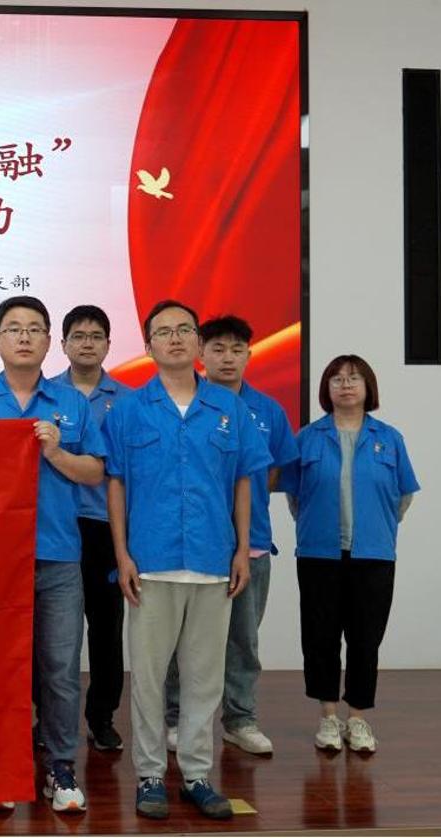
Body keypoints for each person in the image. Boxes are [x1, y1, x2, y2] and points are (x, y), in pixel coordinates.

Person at [103, 300, 270, 821]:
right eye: (163, 332)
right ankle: (150, 775)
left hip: (212, 560)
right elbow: (115, 483)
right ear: (148, 345)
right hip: (150, 563)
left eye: (183, 330)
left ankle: (197, 774)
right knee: (149, 679)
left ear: (198, 342)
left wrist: (241, 550)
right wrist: (121, 554)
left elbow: (243, 481)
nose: (174, 338)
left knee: (204, 678)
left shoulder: (228, 409)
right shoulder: (129, 409)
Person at [0, 296, 106, 813]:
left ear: (49, 341)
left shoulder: (72, 403)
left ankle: (60, 767)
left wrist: (55, 452)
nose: (23, 337)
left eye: (34, 329)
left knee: (60, 668)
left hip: (58, 556)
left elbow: (95, 472)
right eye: (13, 329)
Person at [161, 316, 299, 757]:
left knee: (243, 641)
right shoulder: (184, 406)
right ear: (201, 353)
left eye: (237, 350)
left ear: (249, 356)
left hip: (251, 544)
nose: (227, 358)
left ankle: (240, 720)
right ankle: (176, 718)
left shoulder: (268, 412)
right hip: (194, 544)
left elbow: (272, 472)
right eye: (218, 348)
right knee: (182, 641)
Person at [282, 355, 418, 753]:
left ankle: (357, 718)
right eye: (337, 379)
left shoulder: (389, 438)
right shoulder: (307, 438)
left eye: (354, 378)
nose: (345, 385)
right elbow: (295, 497)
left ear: (368, 387)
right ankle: (328, 717)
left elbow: (403, 496)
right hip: (319, 554)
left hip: (374, 554)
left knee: (365, 638)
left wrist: (377, 527)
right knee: (320, 637)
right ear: (326, 388)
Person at [53, 304, 132, 752]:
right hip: (54, 524)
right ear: (63, 344)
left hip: (105, 527)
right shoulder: (46, 395)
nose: (87, 343)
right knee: (50, 631)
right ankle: (47, 717)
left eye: (95, 336)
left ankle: (101, 717)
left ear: (107, 344)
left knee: (105, 628)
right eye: (78, 336)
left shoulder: (128, 400)